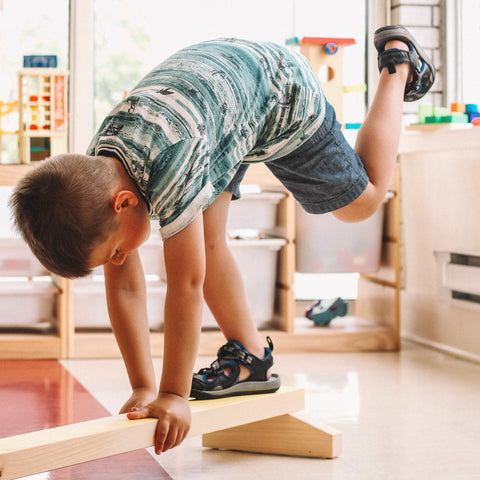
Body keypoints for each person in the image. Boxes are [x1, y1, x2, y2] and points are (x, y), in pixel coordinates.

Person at [10, 25, 435, 455]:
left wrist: (173, 394)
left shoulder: (171, 166)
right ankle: (253, 358)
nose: (120, 260)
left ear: (123, 203)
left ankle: (397, 67)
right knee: (206, 242)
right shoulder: (98, 168)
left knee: (363, 201)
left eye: (116, 251)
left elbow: (186, 286)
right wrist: (143, 387)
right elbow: (124, 285)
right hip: (214, 108)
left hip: (277, 92)